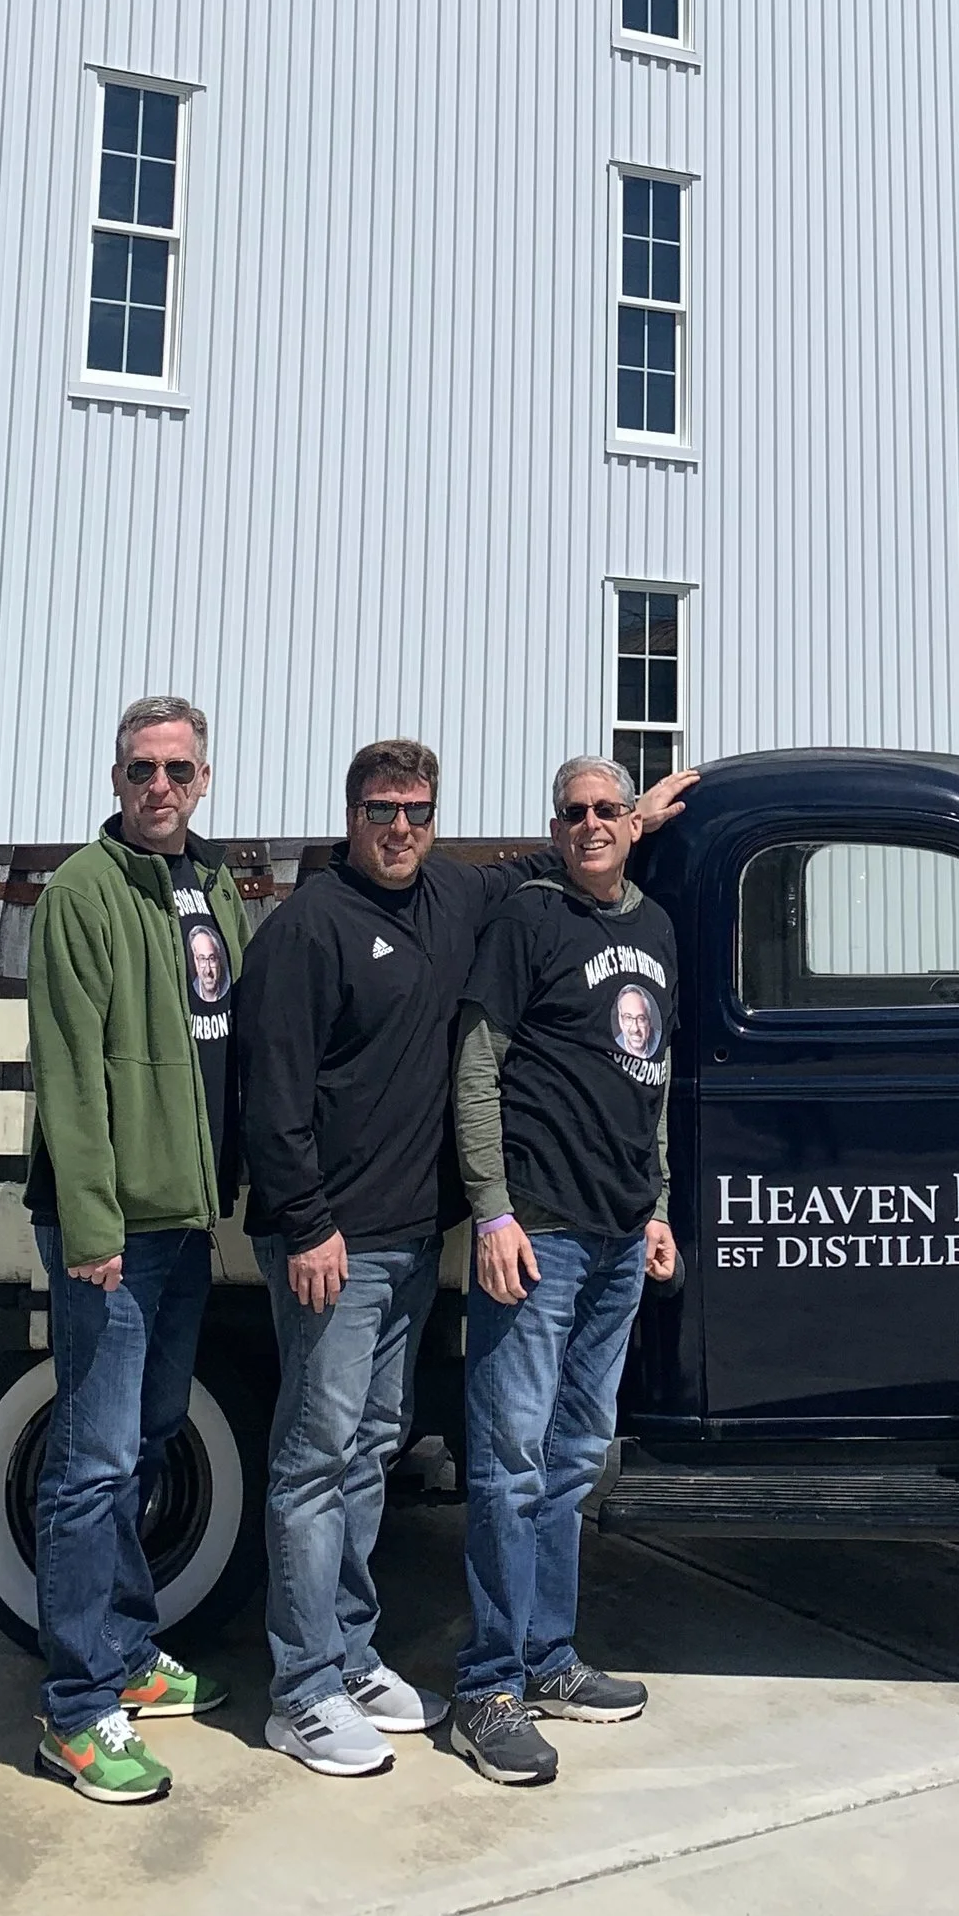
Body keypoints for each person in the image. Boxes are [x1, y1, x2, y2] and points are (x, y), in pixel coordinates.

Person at [236, 737, 690, 1780]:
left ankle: (352, 1658)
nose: (400, 827)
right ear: (349, 814)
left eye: (418, 810)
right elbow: (273, 1091)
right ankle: (301, 1689)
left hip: (405, 1236)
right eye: (382, 808)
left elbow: (547, 871)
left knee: (368, 1449)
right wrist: (306, 1223)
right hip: (334, 1241)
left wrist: (642, 816)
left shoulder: (454, 896)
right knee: (314, 1460)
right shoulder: (308, 928)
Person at [448, 755, 689, 1787]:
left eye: (606, 810)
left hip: (617, 1232)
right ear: (556, 826)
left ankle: (549, 1660)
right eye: (573, 812)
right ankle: (486, 1687)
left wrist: (659, 1208)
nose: (590, 825)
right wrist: (492, 1210)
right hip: (535, 1230)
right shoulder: (528, 922)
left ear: (632, 823)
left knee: (574, 1454)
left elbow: (655, 1077)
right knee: (506, 1460)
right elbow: (476, 1063)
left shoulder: (656, 929)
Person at [24, 697, 244, 1803]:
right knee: (93, 1462)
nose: (160, 787)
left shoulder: (214, 891)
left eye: (179, 770)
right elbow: (67, 1067)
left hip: (182, 1222)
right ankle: (74, 1711)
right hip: (109, 1232)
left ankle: (123, 1648)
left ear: (205, 777)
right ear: (115, 780)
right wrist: (94, 1226)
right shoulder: (81, 893)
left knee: (149, 1439)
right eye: (140, 770)